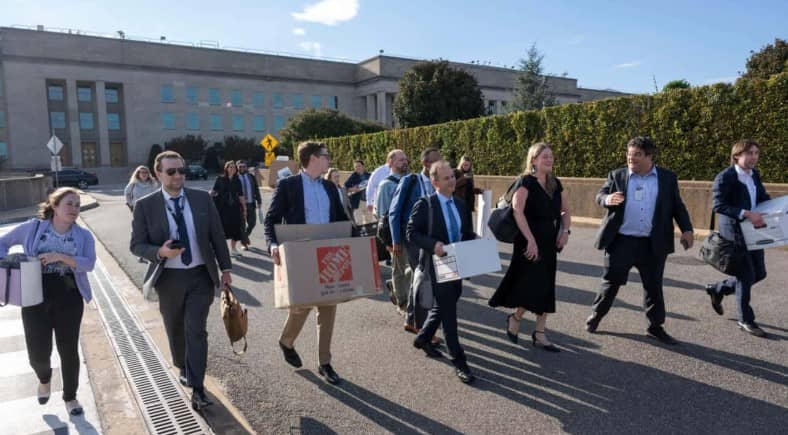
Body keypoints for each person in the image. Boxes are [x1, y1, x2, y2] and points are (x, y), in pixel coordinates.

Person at [130, 150, 233, 411]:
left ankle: (198, 388)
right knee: (176, 330)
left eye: (181, 171)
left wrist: (226, 269)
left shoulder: (201, 199)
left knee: (196, 330)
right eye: (171, 171)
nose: (178, 176)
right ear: (158, 174)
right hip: (169, 279)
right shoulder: (146, 205)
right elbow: (136, 245)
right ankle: (183, 366)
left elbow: (217, 236)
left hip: (200, 275)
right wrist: (160, 252)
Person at [585, 137, 694, 345]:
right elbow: (600, 194)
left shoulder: (667, 178)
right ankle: (596, 316)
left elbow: (677, 206)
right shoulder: (618, 175)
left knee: (653, 287)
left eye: (636, 154)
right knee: (611, 283)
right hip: (621, 242)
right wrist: (607, 200)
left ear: (649, 156)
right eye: (629, 154)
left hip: (652, 244)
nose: (630, 158)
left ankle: (655, 327)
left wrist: (687, 229)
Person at [0, 187, 96, 415]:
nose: (74, 209)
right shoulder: (32, 228)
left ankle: (70, 397)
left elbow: (89, 263)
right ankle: (44, 379)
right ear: (54, 206)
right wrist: (10, 261)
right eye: (69, 204)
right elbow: (3, 242)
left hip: (69, 295)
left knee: (69, 349)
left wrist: (62, 257)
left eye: (77, 205)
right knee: (38, 352)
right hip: (34, 295)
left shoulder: (83, 235)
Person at [264, 141, 349, 385]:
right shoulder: (288, 186)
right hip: (301, 255)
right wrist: (272, 245)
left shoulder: (331, 188)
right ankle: (286, 341)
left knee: (328, 307)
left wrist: (358, 243)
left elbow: (342, 220)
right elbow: (271, 221)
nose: (329, 160)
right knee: (301, 307)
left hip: (329, 254)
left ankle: (325, 363)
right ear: (313, 158)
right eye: (326, 156)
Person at [488, 143, 571, 352]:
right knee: (529, 285)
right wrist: (531, 241)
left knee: (546, 285)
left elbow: (565, 211)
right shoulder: (525, 182)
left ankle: (540, 333)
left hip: (549, 241)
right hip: (528, 240)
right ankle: (515, 317)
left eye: (551, 156)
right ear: (533, 160)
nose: (549, 160)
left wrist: (565, 232)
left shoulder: (555, 184)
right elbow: (518, 212)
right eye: (545, 156)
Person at [408, 160, 477, 383]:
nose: (452, 181)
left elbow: (466, 233)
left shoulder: (459, 204)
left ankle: (423, 337)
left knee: (449, 301)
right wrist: (433, 245)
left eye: (452, 177)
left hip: (457, 264)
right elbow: (412, 232)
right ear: (434, 182)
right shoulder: (425, 204)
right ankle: (459, 362)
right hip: (436, 267)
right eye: (446, 178)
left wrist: (477, 245)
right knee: (449, 315)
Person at [704, 139, 771, 337]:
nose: (754, 157)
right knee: (746, 275)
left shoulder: (754, 175)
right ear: (737, 156)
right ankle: (745, 319)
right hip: (734, 234)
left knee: (758, 273)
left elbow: (761, 197)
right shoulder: (725, 177)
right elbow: (718, 205)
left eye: (756, 153)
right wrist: (746, 213)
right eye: (749, 153)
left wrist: (775, 208)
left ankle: (718, 289)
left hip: (754, 231)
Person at [389, 148, 442, 334]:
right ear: (426, 164)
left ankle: (412, 319)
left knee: (419, 279)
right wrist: (396, 240)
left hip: (431, 239)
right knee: (423, 278)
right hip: (412, 238)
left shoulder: (439, 183)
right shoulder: (410, 181)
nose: (442, 163)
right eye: (437, 160)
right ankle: (423, 326)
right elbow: (394, 212)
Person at [374, 149, 409, 313]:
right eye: (400, 160)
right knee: (399, 269)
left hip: (410, 235)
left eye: (405, 159)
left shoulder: (409, 181)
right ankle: (402, 304)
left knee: (409, 270)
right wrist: (388, 242)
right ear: (390, 163)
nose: (405, 162)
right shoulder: (386, 185)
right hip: (395, 237)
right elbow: (382, 217)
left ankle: (396, 287)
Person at [211, 161, 246, 258]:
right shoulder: (220, 179)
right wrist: (207, 200)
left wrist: (244, 208)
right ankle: (217, 250)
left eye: (234, 168)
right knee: (221, 229)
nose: (232, 169)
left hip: (234, 208)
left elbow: (241, 195)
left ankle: (233, 249)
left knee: (235, 228)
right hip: (222, 208)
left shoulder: (237, 180)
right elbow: (213, 191)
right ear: (226, 168)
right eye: (230, 167)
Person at [236, 160, 262, 250]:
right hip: (240, 206)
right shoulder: (235, 178)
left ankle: (245, 237)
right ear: (237, 167)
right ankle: (244, 243)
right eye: (240, 167)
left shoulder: (251, 176)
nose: (242, 168)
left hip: (251, 203)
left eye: (244, 166)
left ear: (246, 167)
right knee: (242, 225)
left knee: (252, 223)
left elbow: (256, 189)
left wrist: (259, 200)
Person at [453, 156, 484, 225]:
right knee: (460, 224)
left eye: (468, 165)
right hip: (459, 202)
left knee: (468, 225)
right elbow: (453, 186)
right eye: (464, 165)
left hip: (469, 203)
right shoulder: (455, 172)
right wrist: (463, 178)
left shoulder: (470, 174)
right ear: (461, 164)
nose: (466, 167)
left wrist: (479, 191)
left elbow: (470, 189)